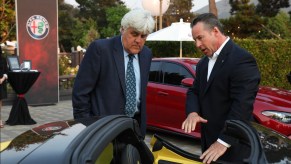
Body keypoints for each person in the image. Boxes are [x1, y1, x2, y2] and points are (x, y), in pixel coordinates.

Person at [181, 13, 261, 163]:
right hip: (209, 144)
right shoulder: (203, 63)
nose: (197, 45)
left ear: (215, 32)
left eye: (200, 38)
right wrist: (192, 112)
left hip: (233, 147)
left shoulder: (242, 60)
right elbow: (194, 91)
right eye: (195, 40)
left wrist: (223, 141)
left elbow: (242, 105)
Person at [72, 9, 155, 138]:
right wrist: (87, 129)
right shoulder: (100, 49)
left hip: (134, 129)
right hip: (101, 131)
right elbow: (80, 93)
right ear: (122, 29)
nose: (139, 40)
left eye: (143, 36)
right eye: (134, 34)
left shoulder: (146, 54)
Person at [0, 45, 8, 128]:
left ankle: (0, 120)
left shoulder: (3, 59)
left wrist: (2, 79)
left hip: (1, 83)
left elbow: (6, 71)